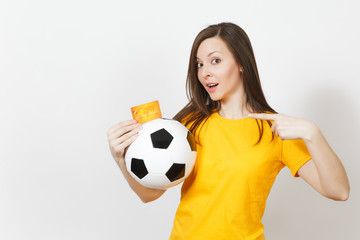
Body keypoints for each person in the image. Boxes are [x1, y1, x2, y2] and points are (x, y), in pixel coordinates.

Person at [107, 22, 350, 240]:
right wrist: (120, 158)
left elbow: (339, 191)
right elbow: (150, 195)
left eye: (215, 61)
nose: (205, 72)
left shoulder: (273, 129)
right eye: (199, 64)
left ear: (242, 63)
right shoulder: (188, 126)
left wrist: (313, 133)